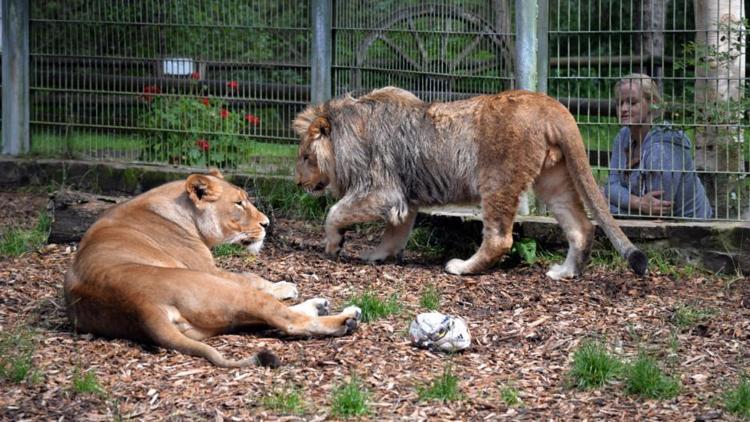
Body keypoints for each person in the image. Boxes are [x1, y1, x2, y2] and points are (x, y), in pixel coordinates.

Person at [603, 73, 713, 219]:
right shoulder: (622, 136)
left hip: (689, 229)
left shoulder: (666, 142)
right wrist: (638, 202)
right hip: (645, 220)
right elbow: (611, 186)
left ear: (652, 102)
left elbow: (659, 208)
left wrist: (609, 206)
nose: (623, 109)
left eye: (632, 102)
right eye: (619, 103)